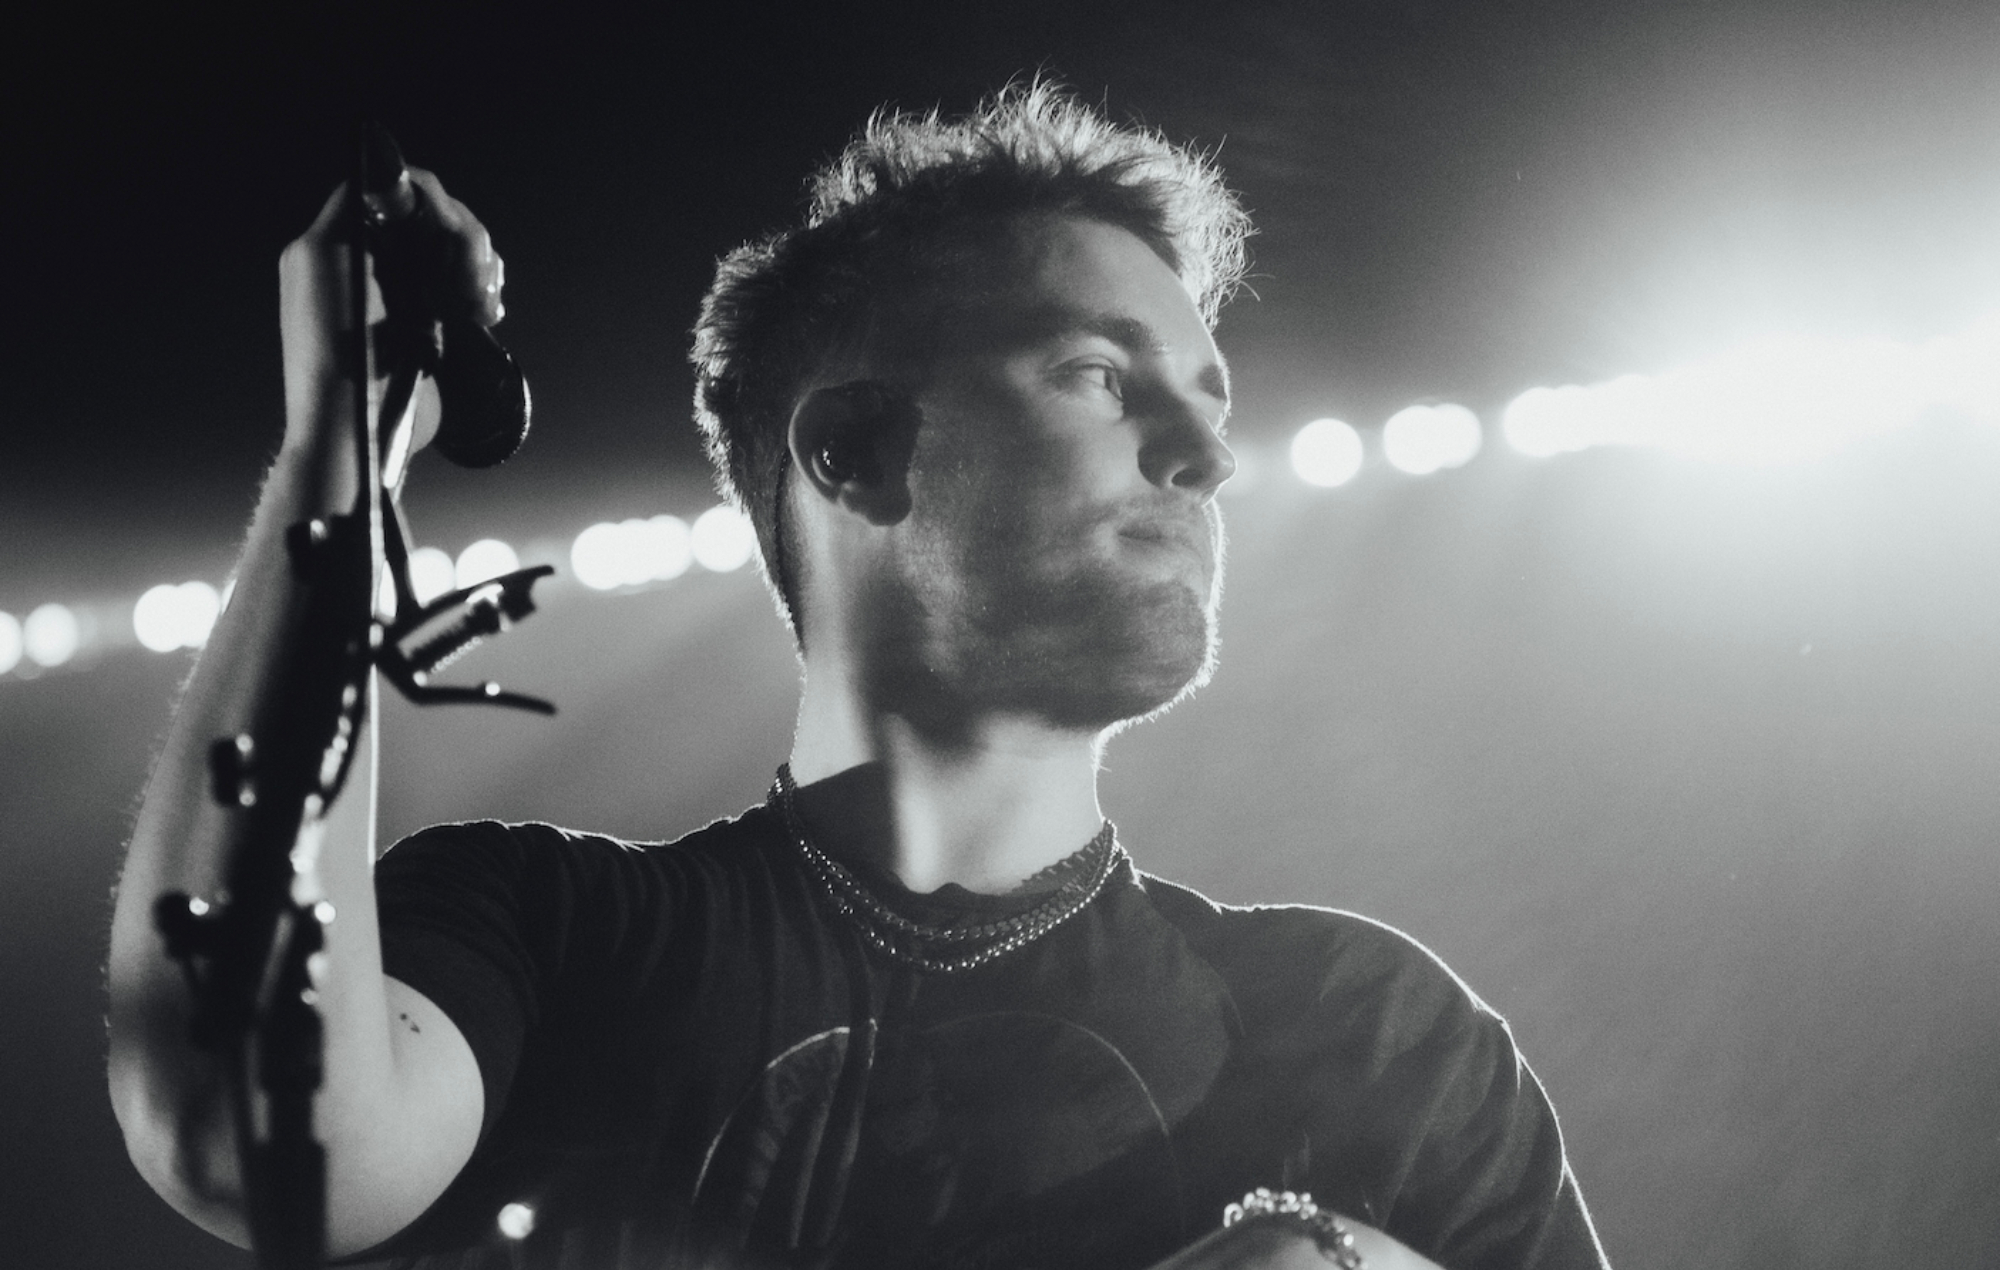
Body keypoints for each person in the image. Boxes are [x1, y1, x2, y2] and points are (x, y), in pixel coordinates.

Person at [107, 82, 1610, 1270]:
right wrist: (343, 450)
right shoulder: (549, 945)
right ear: (855, 451)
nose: (1207, 450)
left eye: (1207, 395)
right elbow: (254, 1133)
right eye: (1098, 371)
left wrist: (1341, 1259)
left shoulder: (1372, 1030)